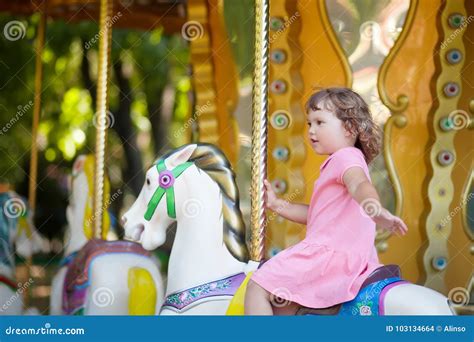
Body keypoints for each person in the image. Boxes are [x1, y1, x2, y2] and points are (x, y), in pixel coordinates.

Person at [244, 87, 408, 315]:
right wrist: (275, 204)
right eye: (309, 123)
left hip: (328, 257)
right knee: (282, 305)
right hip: (350, 258)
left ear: (350, 128)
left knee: (257, 286)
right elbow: (316, 215)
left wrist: (375, 208)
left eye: (320, 122)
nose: (311, 130)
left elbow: (359, 184)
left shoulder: (345, 158)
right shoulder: (341, 160)